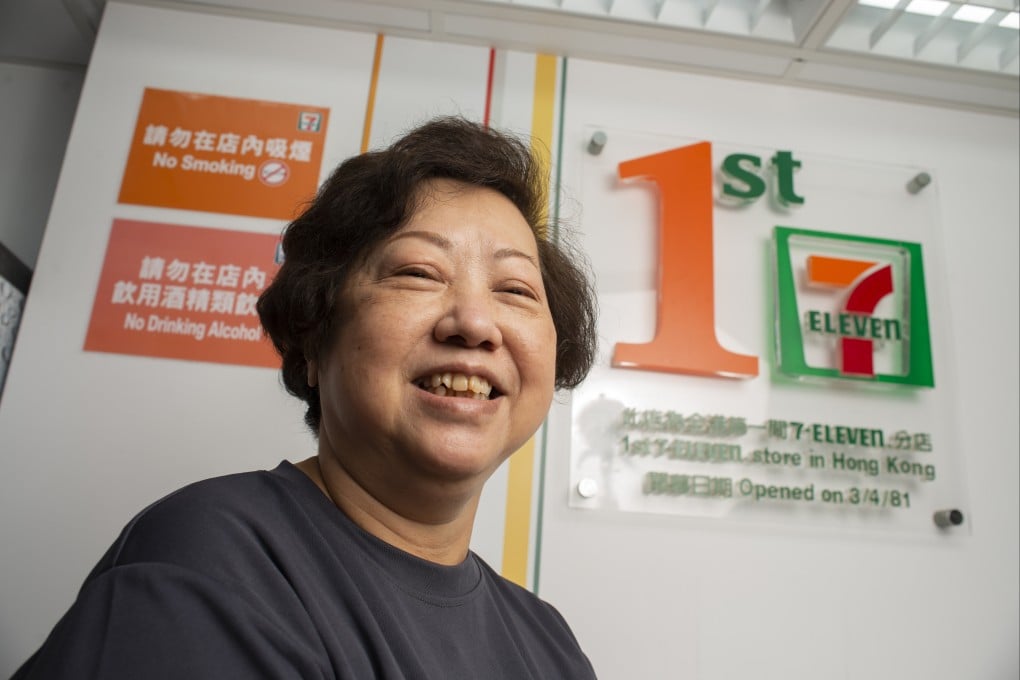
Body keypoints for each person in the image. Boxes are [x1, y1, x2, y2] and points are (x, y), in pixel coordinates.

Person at [13, 117, 599, 679]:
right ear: (315, 339)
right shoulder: (215, 558)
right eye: (419, 273)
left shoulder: (547, 643)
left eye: (516, 290)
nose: (474, 323)